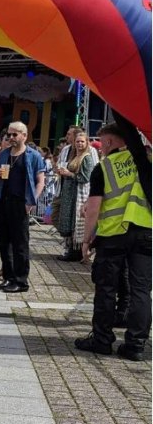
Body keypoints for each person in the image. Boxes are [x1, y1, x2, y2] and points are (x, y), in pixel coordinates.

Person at [75, 122, 151, 361]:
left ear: (107, 142)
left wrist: (87, 240)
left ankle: (102, 340)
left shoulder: (105, 167)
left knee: (106, 289)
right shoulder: (147, 160)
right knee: (141, 291)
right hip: (145, 232)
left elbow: (94, 208)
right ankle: (135, 345)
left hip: (112, 235)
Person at [0, 121, 46, 293]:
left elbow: (40, 182)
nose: (11, 137)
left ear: (24, 135)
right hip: (4, 200)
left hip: (21, 203)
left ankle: (21, 280)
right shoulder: (4, 154)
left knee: (20, 243)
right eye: (9, 134)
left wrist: (31, 201)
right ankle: (8, 276)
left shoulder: (33, 155)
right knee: (4, 241)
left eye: (15, 134)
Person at [55, 125, 100, 260]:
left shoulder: (87, 157)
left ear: (86, 143)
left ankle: (76, 252)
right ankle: (71, 250)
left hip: (79, 193)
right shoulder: (73, 154)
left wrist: (69, 174)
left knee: (76, 223)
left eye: (82, 141)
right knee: (67, 222)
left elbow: (86, 177)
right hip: (69, 193)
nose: (79, 144)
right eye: (77, 141)